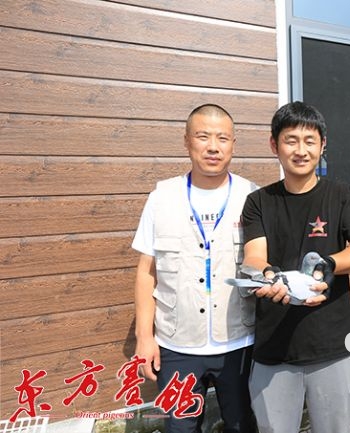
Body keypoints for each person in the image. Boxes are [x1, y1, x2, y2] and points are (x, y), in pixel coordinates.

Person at [241, 101, 350, 433]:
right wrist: (268, 276)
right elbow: (254, 257)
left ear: (322, 145)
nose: (301, 150)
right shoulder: (259, 202)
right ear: (274, 145)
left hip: (332, 348)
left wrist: (331, 264)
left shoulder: (342, 195)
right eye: (291, 140)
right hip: (273, 350)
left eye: (309, 141)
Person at [132, 104, 257, 433]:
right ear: (187, 141)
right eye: (203, 137)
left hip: (239, 342)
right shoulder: (162, 198)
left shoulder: (252, 197)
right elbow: (146, 272)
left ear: (233, 144)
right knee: (180, 428)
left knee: (243, 425)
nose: (213, 147)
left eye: (222, 138)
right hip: (177, 345)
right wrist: (144, 338)